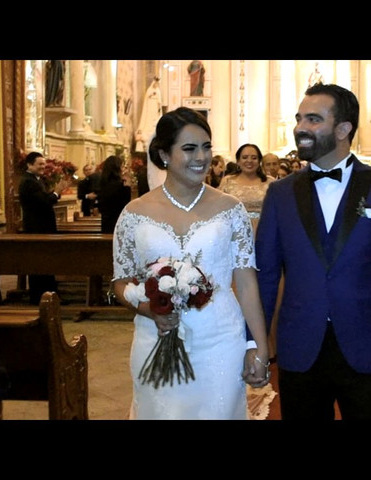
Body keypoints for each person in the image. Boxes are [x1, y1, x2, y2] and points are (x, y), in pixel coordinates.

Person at [255, 83, 371, 420]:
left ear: (344, 128)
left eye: (314, 119)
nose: (301, 128)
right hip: (300, 346)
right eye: (299, 118)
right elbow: (265, 276)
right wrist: (253, 344)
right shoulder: (280, 194)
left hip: (367, 344)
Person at [111, 106, 269, 420]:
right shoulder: (134, 213)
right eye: (189, 148)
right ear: (164, 154)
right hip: (155, 339)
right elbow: (121, 282)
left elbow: (247, 284)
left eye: (207, 147)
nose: (201, 157)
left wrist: (261, 347)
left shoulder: (231, 210)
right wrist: (150, 309)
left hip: (221, 339)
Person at [18, 152, 70, 305]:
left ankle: (49, 297)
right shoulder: (28, 182)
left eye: (44, 164)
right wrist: (56, 192)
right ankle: (40, 298)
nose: (43, 167)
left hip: (41, 227)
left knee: (45, 263)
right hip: (37, 228)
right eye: (40, 164)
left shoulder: (35, 180)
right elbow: (43, 202)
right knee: (39, 264)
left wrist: (54, 193)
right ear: (29, 164)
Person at [218, 144, 271, 233]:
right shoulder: (227, 181)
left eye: (254, 158)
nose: (249, 161)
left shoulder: (270, 182)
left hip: (264, 230)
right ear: (238, 161)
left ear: (259, 161)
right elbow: (219, 208)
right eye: (245, 157)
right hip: (234, 230)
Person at [97, 155, 132, 234]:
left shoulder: (103, 183)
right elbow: (126, 205)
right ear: (117, 168)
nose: (123, 169)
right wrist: (128, 187)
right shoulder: (120, 186)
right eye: (122, 166)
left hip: (106, 221)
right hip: (118, 221)